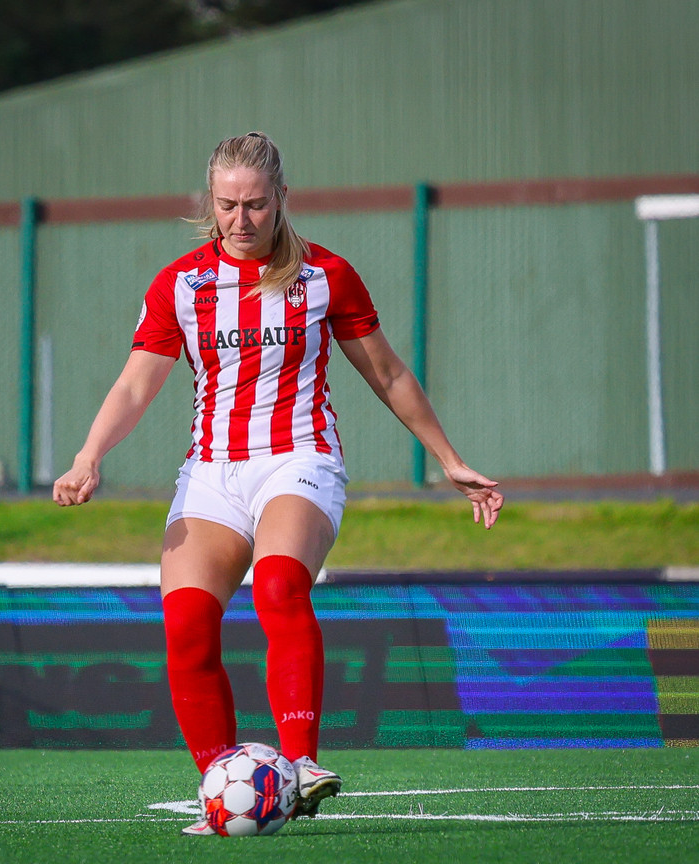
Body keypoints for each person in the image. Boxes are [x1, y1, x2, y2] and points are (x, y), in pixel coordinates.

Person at [53, 131, 503, 835]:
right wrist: (89, 456)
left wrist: (448, 459)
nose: (241, 219)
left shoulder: (327, 275)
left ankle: (302, 763)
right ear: (210, 201)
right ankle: (224, 787)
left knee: (278, 586)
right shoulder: (180, 285)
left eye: (256, 204)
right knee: (186, 627)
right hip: (212, 471)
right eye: (227, 204)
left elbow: (388, 374)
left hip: (299, 459)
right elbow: (136, 384)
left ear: (281, 198)